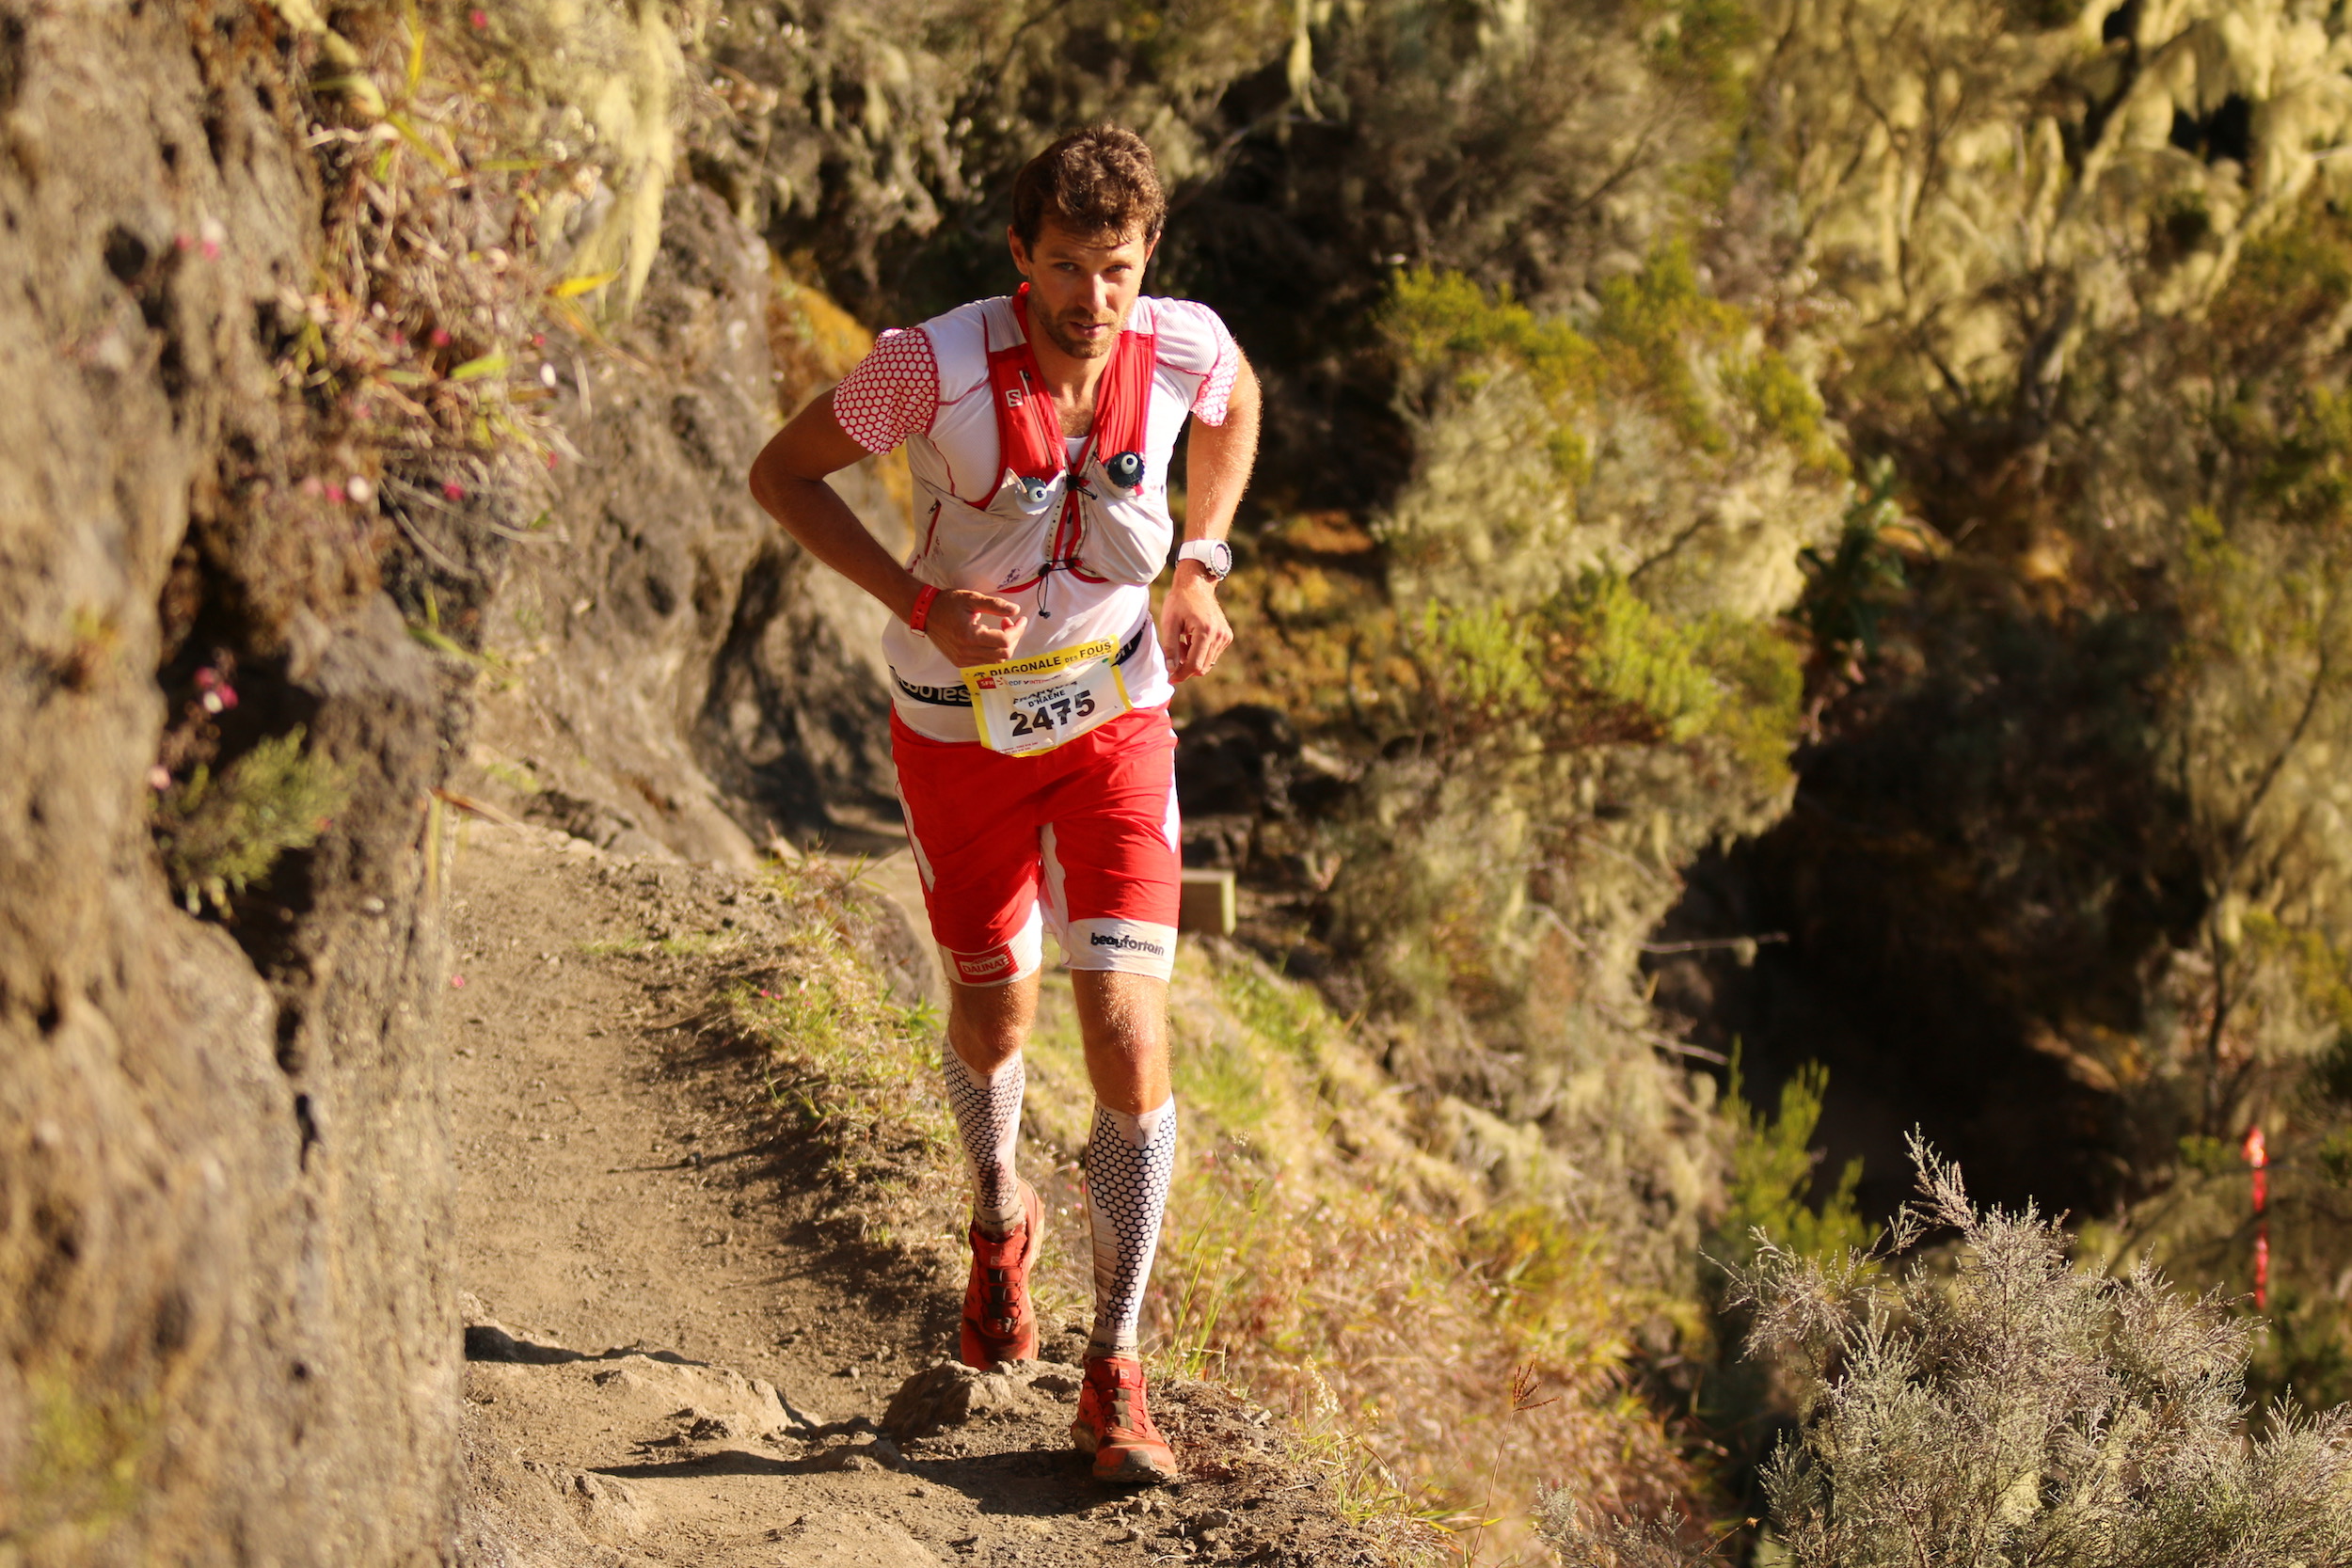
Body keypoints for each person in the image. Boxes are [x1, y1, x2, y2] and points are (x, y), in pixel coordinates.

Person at [746, 124, 1261, 1484]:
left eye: (1119, 267)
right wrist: (918, 600)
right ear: (1018, 256)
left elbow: (1238, 401)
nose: (1094, 300)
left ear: (1146, 261)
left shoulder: (1186, 343)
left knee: (1126, 1027)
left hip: (1117, 723)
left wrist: (1201, 563)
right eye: (1068, 267)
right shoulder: (927, 364)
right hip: (955, 729)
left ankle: (1118, 1370)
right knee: (993, 1006)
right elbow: (780, 475)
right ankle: (996, 1221)